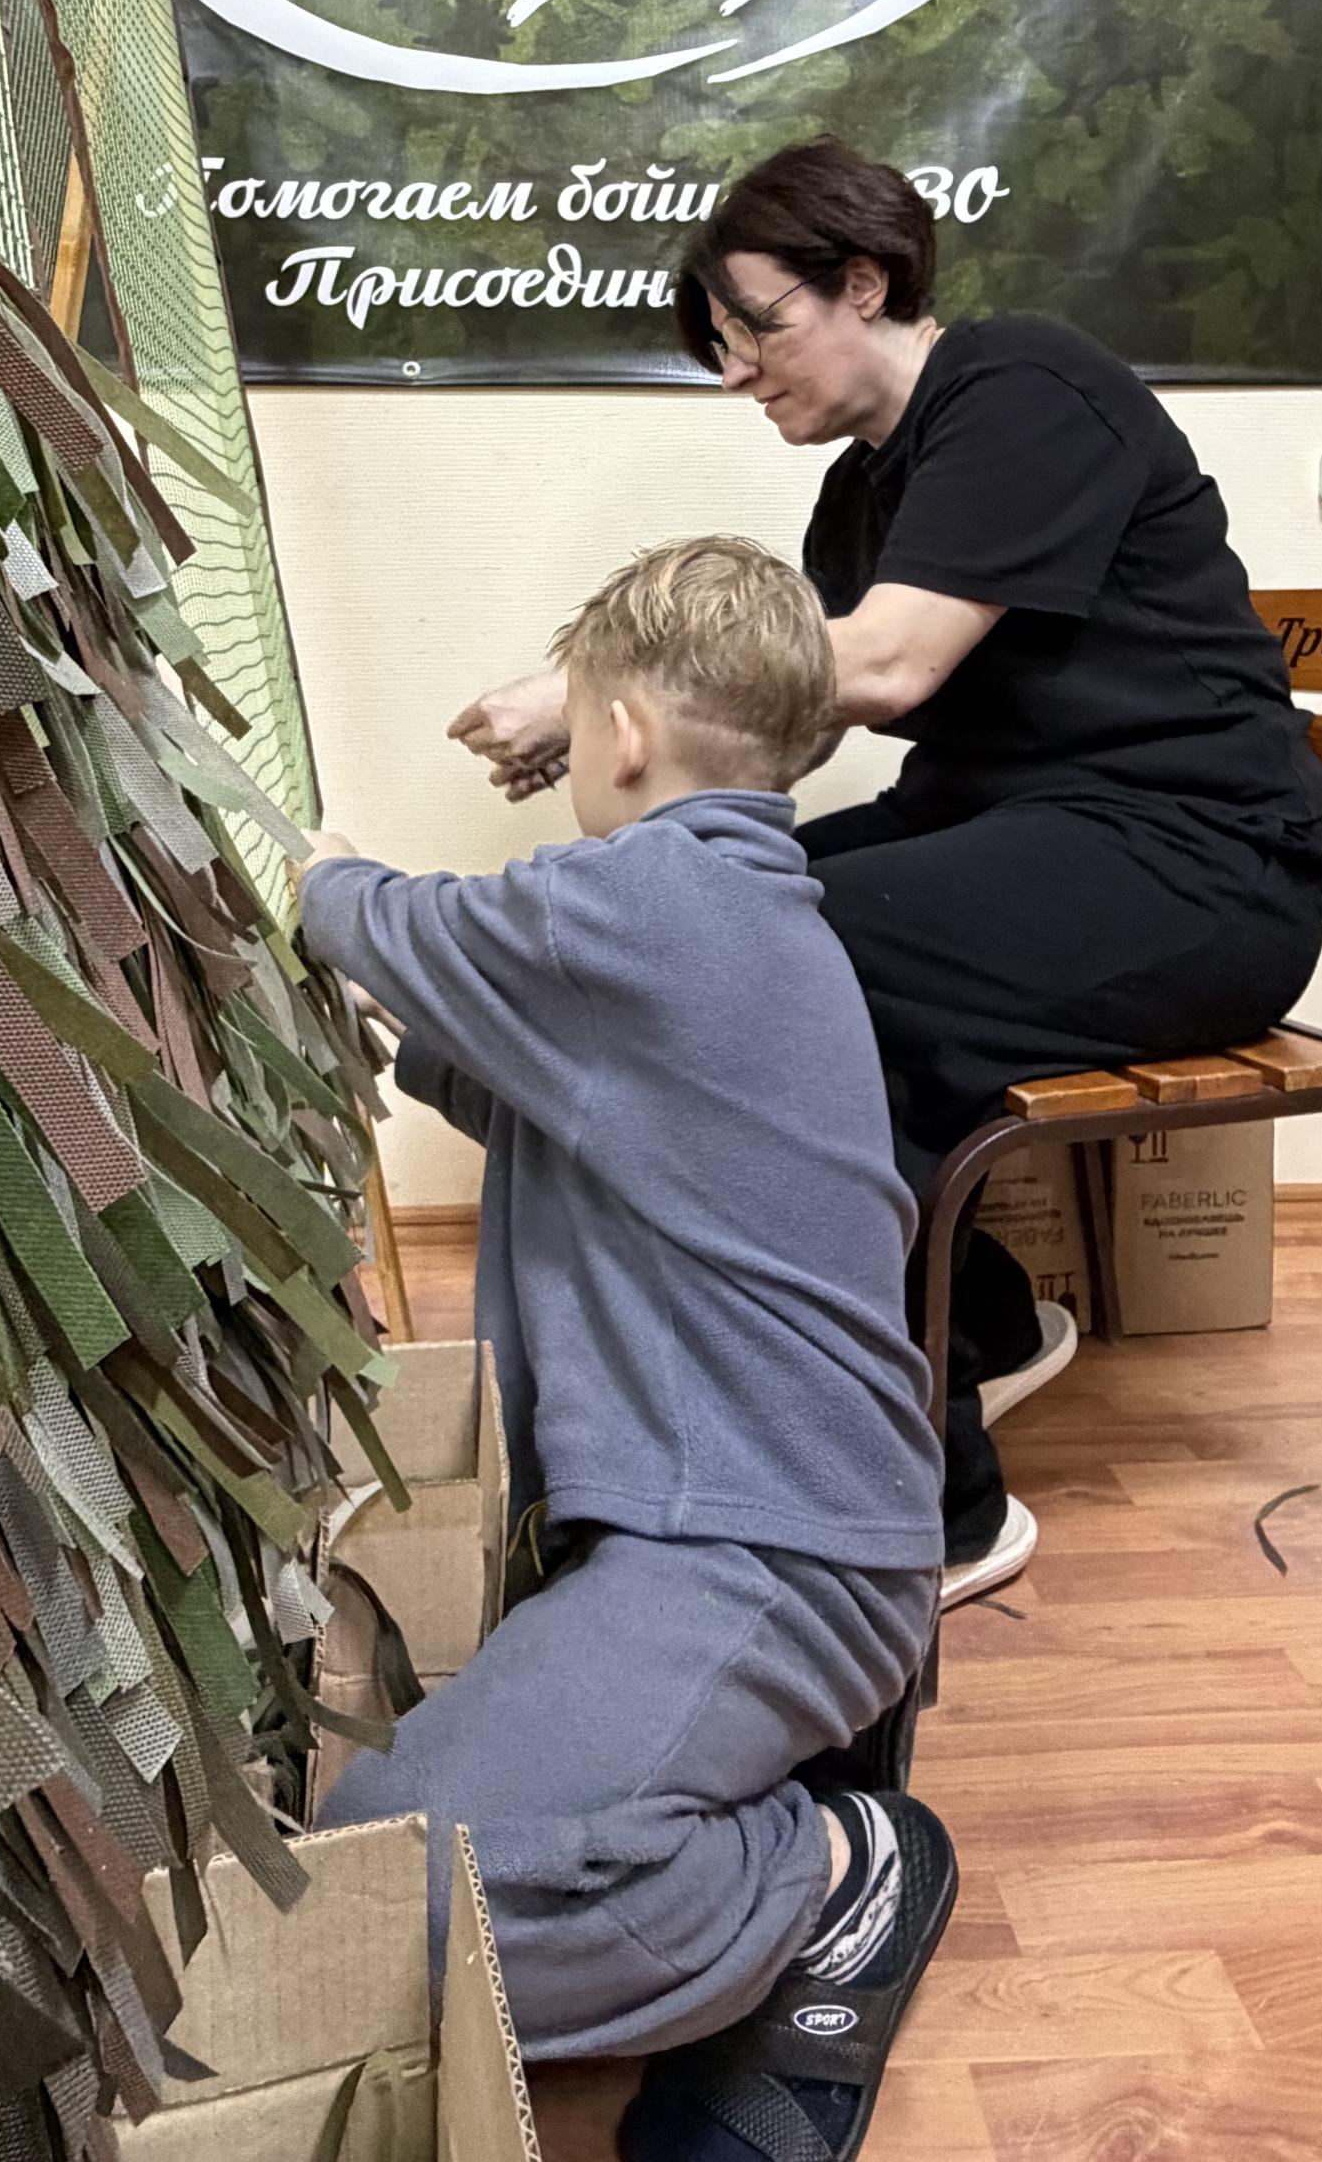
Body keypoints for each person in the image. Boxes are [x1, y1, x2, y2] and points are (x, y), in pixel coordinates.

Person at [451, 141, 1322, 1609]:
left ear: (863, 283)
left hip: (1201, 861)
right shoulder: (858, 502)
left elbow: (890, 661)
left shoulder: (1023, 390)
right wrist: (632, 768)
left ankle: (943, 1510)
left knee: (799, 962)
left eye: (756, 328)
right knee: (723, 911)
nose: (738, 374)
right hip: (1035, 836)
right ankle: (980, 1327)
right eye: (718, 348)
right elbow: (782, 729)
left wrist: (590, 687)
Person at [301, 536, 956, 2162]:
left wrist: (305, 871)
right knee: (386, 1851)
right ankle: (729, 1789)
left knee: (397, 1887)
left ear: (623, 733)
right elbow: (559, 1099)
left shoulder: (650, 900)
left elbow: (380, 919)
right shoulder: (737, 913)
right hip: (760, 1525)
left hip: (770, 1551)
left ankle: (834, 1873)